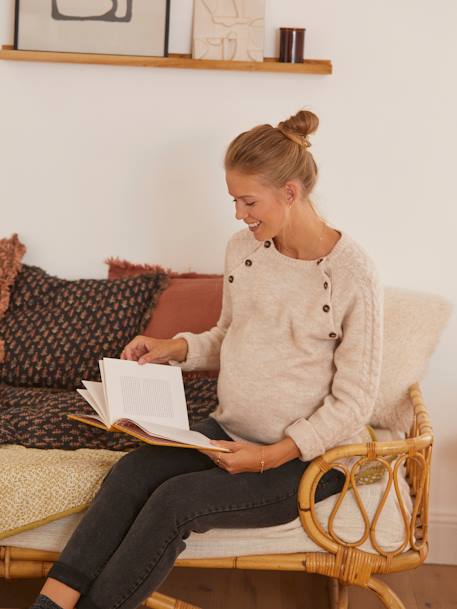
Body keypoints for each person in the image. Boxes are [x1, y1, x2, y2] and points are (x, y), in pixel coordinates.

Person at [30, 109, 383, 609]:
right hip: (228, 433)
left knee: (177, 503)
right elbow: (228, 335)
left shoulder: (353, 274)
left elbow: (355, 402)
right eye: (234, 200)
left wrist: (269, 455)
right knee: (131, 474)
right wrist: (173, 348)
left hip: (306, 462)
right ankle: (50, 605)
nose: (239, 214)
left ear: (290, 192)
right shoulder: (245, 250)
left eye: (248, 200)